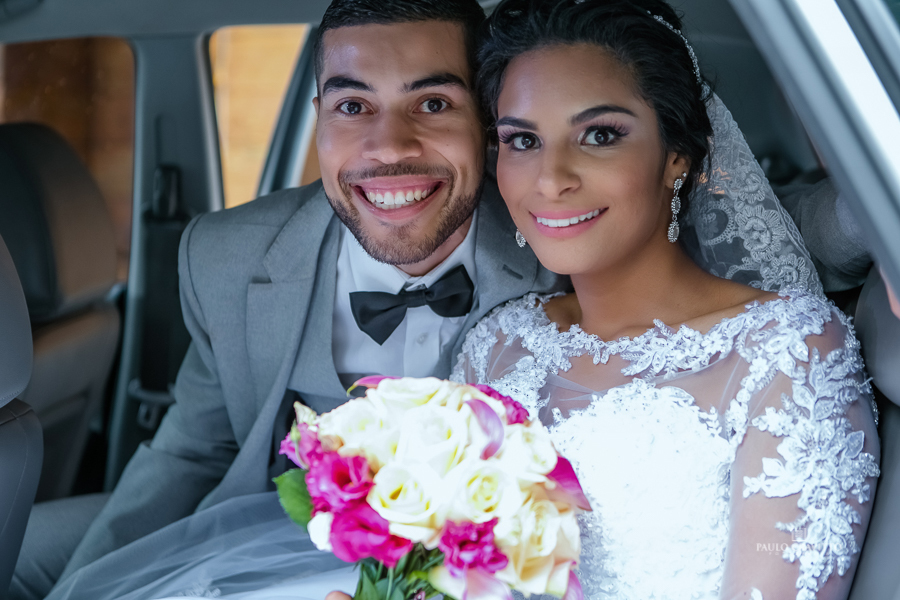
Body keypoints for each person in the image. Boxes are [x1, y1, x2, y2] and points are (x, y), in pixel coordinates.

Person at [41, 1, 879, 599]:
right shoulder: (503, 344)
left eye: (601, 134)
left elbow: (790, 221)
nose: (550, 176)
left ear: (679, 158)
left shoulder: (783, 346)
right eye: (525, 139)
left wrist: (877, 205)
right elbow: (188, 455)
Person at [10, 1, 564, 598]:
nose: (388, 147)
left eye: (432, 104)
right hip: (255, 534)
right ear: (320, 118)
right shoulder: (226, 256)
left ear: (486, 123)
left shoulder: (559, 254)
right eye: (353, 106)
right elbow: (194, 450)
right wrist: (85, 586)